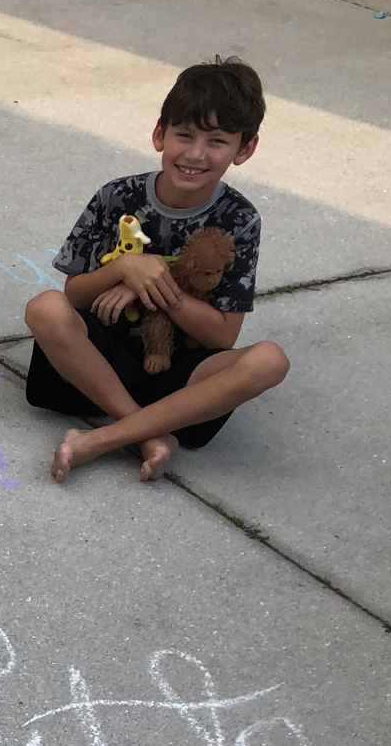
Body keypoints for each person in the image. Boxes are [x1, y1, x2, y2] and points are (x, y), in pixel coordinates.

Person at [24, 56, 289, 482]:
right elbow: (74, 296)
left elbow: (222, 335)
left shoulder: (240, 219)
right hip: (97, 364)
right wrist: (124, 268)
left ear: (245, 149)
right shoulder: (116, 196)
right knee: (44, 307)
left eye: (217, 141)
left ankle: (102, 438)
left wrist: (156, 282)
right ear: (159, 134)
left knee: (269, 361)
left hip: (182, 380)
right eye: (184, 135)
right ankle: (148, 433)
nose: (196, 154)